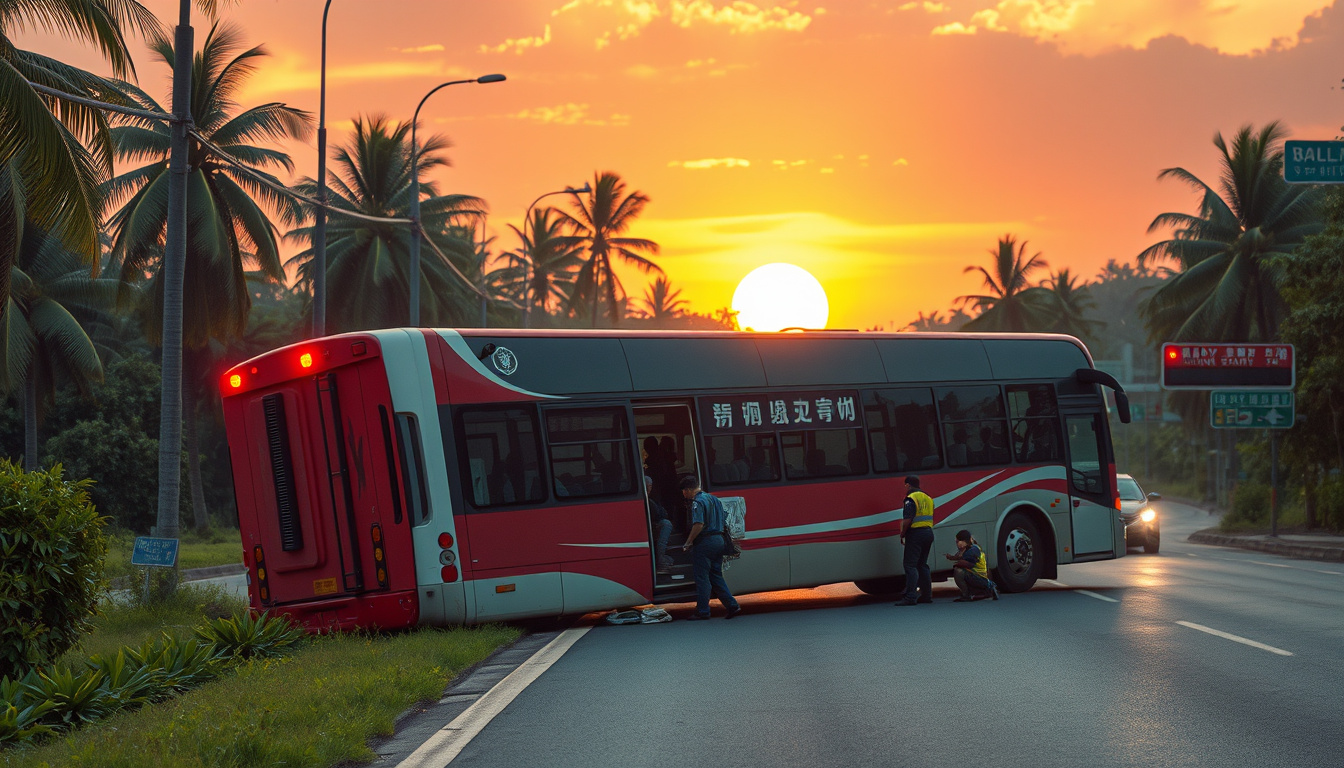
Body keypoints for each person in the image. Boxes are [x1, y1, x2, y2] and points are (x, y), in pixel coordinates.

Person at [679, 475, 741, 620]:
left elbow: (698, 524)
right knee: (716, 575)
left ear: (688, 490)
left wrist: (688, 542)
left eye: (683, 491)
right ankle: (732, 605)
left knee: (702, 578)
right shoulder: (714, 499)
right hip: (719, 541)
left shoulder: (697, 502)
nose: (684, 495)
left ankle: (703, 611)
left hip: (705, 542)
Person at [894, 475, 935, 606]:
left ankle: (910, 597)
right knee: (922, 564)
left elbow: (908, 519)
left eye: (905, 485)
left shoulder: (910, 499)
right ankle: (927, 595)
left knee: (910, 565)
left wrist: (902, 533)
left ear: (908, 485)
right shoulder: (928, 498)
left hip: (916, 534)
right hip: (928, 533)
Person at [944, 529, 999, 601]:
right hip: (978, 576)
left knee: (958, 571)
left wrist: (958, 564)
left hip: (979, 578)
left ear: (963, 541)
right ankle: (983, 591)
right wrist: (951, 557)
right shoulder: (971, 548)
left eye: (957, 542)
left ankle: (967, 595)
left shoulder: (972, 550)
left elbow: (969, 564)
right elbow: (960, 556)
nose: (957, 544)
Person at [645, 476, 674, 573]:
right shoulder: (646, 500)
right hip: (652, 525)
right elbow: (657, 514)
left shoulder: (652, 498)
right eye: (647, 485)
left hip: (654, 523)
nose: (649, 488)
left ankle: (663, 558)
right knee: (666, 524)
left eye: (650, 486)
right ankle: (661, 561)